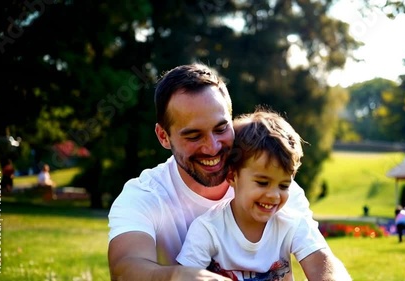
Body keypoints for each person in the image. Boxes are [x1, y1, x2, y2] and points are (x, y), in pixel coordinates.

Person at [107, 63, 350, 280]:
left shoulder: (275, 187)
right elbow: (125, 268)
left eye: (221, 128)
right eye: (193, 135)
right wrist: (179, 276)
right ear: (163, 136)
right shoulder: (145, 195)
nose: (212, 147)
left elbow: (323, 262)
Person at [176, 109, 351, 281]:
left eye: (284, 185)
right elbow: (185, 276)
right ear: (231, 176)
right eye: (262, 183)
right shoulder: (208, 229)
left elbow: (322, 265)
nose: (274, 195)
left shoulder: (291, 223)